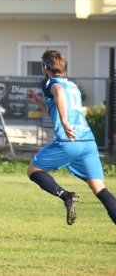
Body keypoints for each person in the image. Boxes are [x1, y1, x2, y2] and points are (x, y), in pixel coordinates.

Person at [25, 49, 116, 227]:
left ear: (45, 67)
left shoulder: (52, 82)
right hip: (88, 143)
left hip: (69, 141)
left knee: (33, 170)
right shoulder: (72, 86)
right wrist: (38, 101)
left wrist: (65, 122)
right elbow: (57, 107)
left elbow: (57, 91)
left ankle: (66, 196)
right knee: (100, 188)